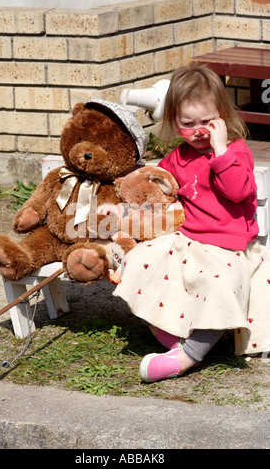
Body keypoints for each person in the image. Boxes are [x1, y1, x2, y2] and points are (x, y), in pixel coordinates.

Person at [113, 63, 270, 383]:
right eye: (188, 124)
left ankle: (188, 356)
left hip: (229, 248)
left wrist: (221, 150)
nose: (199, 132)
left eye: (208, 123)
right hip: (188, 240)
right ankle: (174, 339)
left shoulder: (236, 152)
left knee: (219, 284)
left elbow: (239, 190)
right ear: (174, 122)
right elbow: (157, 185)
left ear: (222, 118)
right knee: (138, 261)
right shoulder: (178, 157)